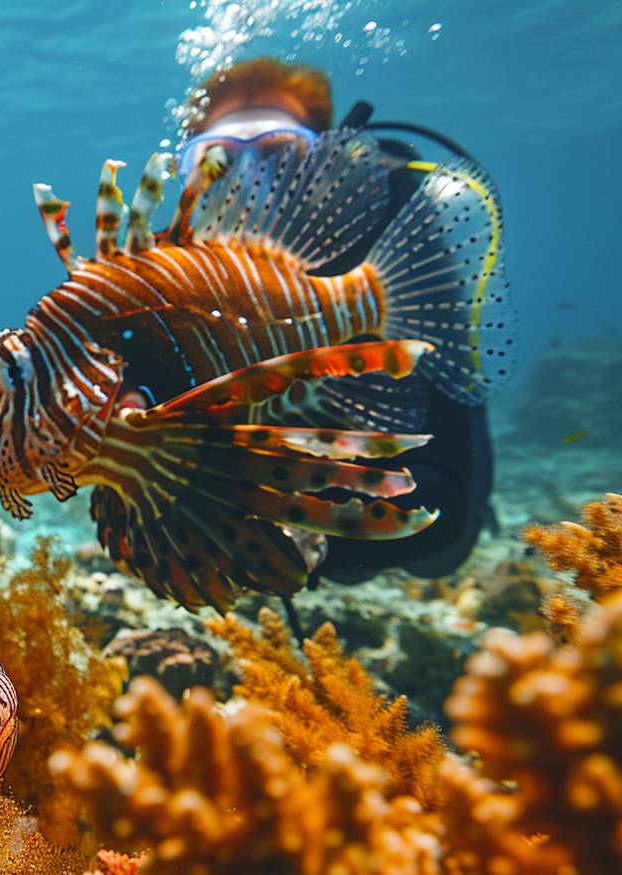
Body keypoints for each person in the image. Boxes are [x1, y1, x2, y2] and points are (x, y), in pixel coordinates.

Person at [171, 56, 499, 585]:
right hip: (260, 499)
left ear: (327, 162)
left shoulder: (389, 238)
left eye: (281, 155)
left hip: (386, 504)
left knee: (441, 560)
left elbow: (450, 502)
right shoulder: (171, 268)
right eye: (219, 164)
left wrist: (303, 533)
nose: (249, 183)